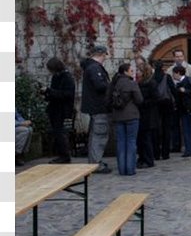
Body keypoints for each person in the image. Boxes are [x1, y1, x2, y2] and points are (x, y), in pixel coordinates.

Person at [106, 62, 143, 176]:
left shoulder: (114, 84)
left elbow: (108, 100)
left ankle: (122, 169)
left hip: (118, 116)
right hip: (131, 115)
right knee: (131, 142)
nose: (132, 72)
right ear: (125, 72)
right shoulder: (132, 84)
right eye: (131, 71)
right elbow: (139, 100)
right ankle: (130, 169)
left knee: (121, 143)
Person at [80, 45, 112, 174]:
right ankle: (95, 162)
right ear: (102, 54)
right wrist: (110, 86)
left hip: (96, 106)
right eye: (105, 55)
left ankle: (95, 161)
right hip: (99, 106)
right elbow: (99, 85)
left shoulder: (90, 67)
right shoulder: (94, 68)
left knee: (96, 134)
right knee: (99, 135)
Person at [44, 57, 76, 164]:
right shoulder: (56, 77)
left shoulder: (67, 77)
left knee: (60, 132)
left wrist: (50, 91)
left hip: (62, 110)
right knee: (57, 132)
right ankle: (61, 154)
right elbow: (55, 93)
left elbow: (67, 94)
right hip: (55, 108)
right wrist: (46, 94)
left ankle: (65, 156)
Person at [171, 64, 191, 158]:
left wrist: (185, 91)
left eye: (174, 73)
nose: (173, 76)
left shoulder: (188, 80)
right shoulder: (178, 84)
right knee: (186, 131)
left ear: (178, 73)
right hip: (183, 110)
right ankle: (188, 151)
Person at [135, 62, 160, 169]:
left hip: (148, 114)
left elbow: (156, 98)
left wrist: (143, 103)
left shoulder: (151, 83)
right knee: (140, 138)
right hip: (141, 114)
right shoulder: (139, 83)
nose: (137, 72)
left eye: (139, 70)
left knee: (146, 138)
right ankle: (141, 158)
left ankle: (148, 160)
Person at [152, 60, 176, 160]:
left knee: (156, 129)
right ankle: (165, 153)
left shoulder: (151, 78)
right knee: (167, 129)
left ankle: (156, 153)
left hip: (155, 105)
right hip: (167, 104)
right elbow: (173, 90)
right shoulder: (167, 77)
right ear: (162, 67)